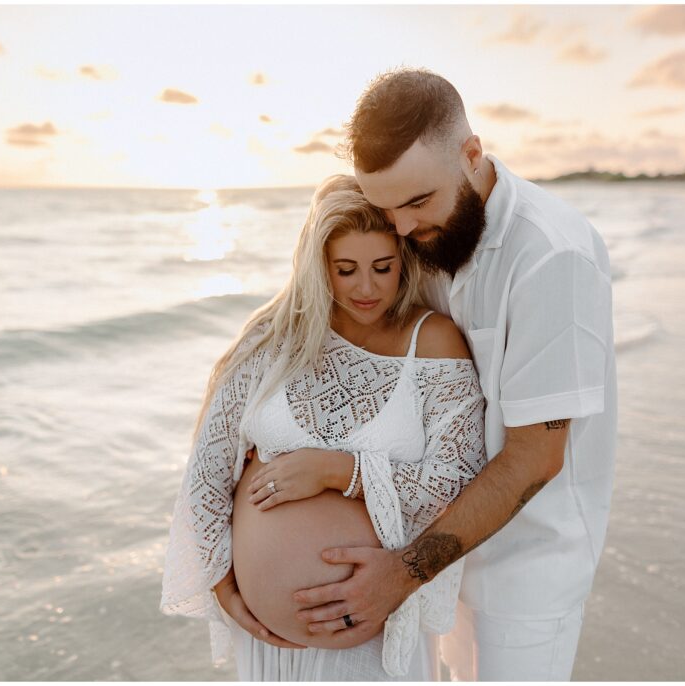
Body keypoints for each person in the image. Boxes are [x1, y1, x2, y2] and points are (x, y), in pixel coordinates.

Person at [291, 68, 617, 681]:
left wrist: (400, 573)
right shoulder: (423, 238)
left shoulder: (552, 256)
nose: (406, 229)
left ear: (472, 154)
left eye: (418, 202)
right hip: (440, 554)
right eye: (388, 209)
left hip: (527, 571)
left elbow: (534, 458)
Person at [159, 174, 487, 680]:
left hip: (374, 641)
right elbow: (207, 470)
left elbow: (458, 479)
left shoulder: (433, 343)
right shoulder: (273, 342)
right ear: (319, 267)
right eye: (345, 269)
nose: (366, 287)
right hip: (269, 649)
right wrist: (225, 588)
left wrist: (342, 471)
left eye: (383, 267)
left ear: (404, 260)